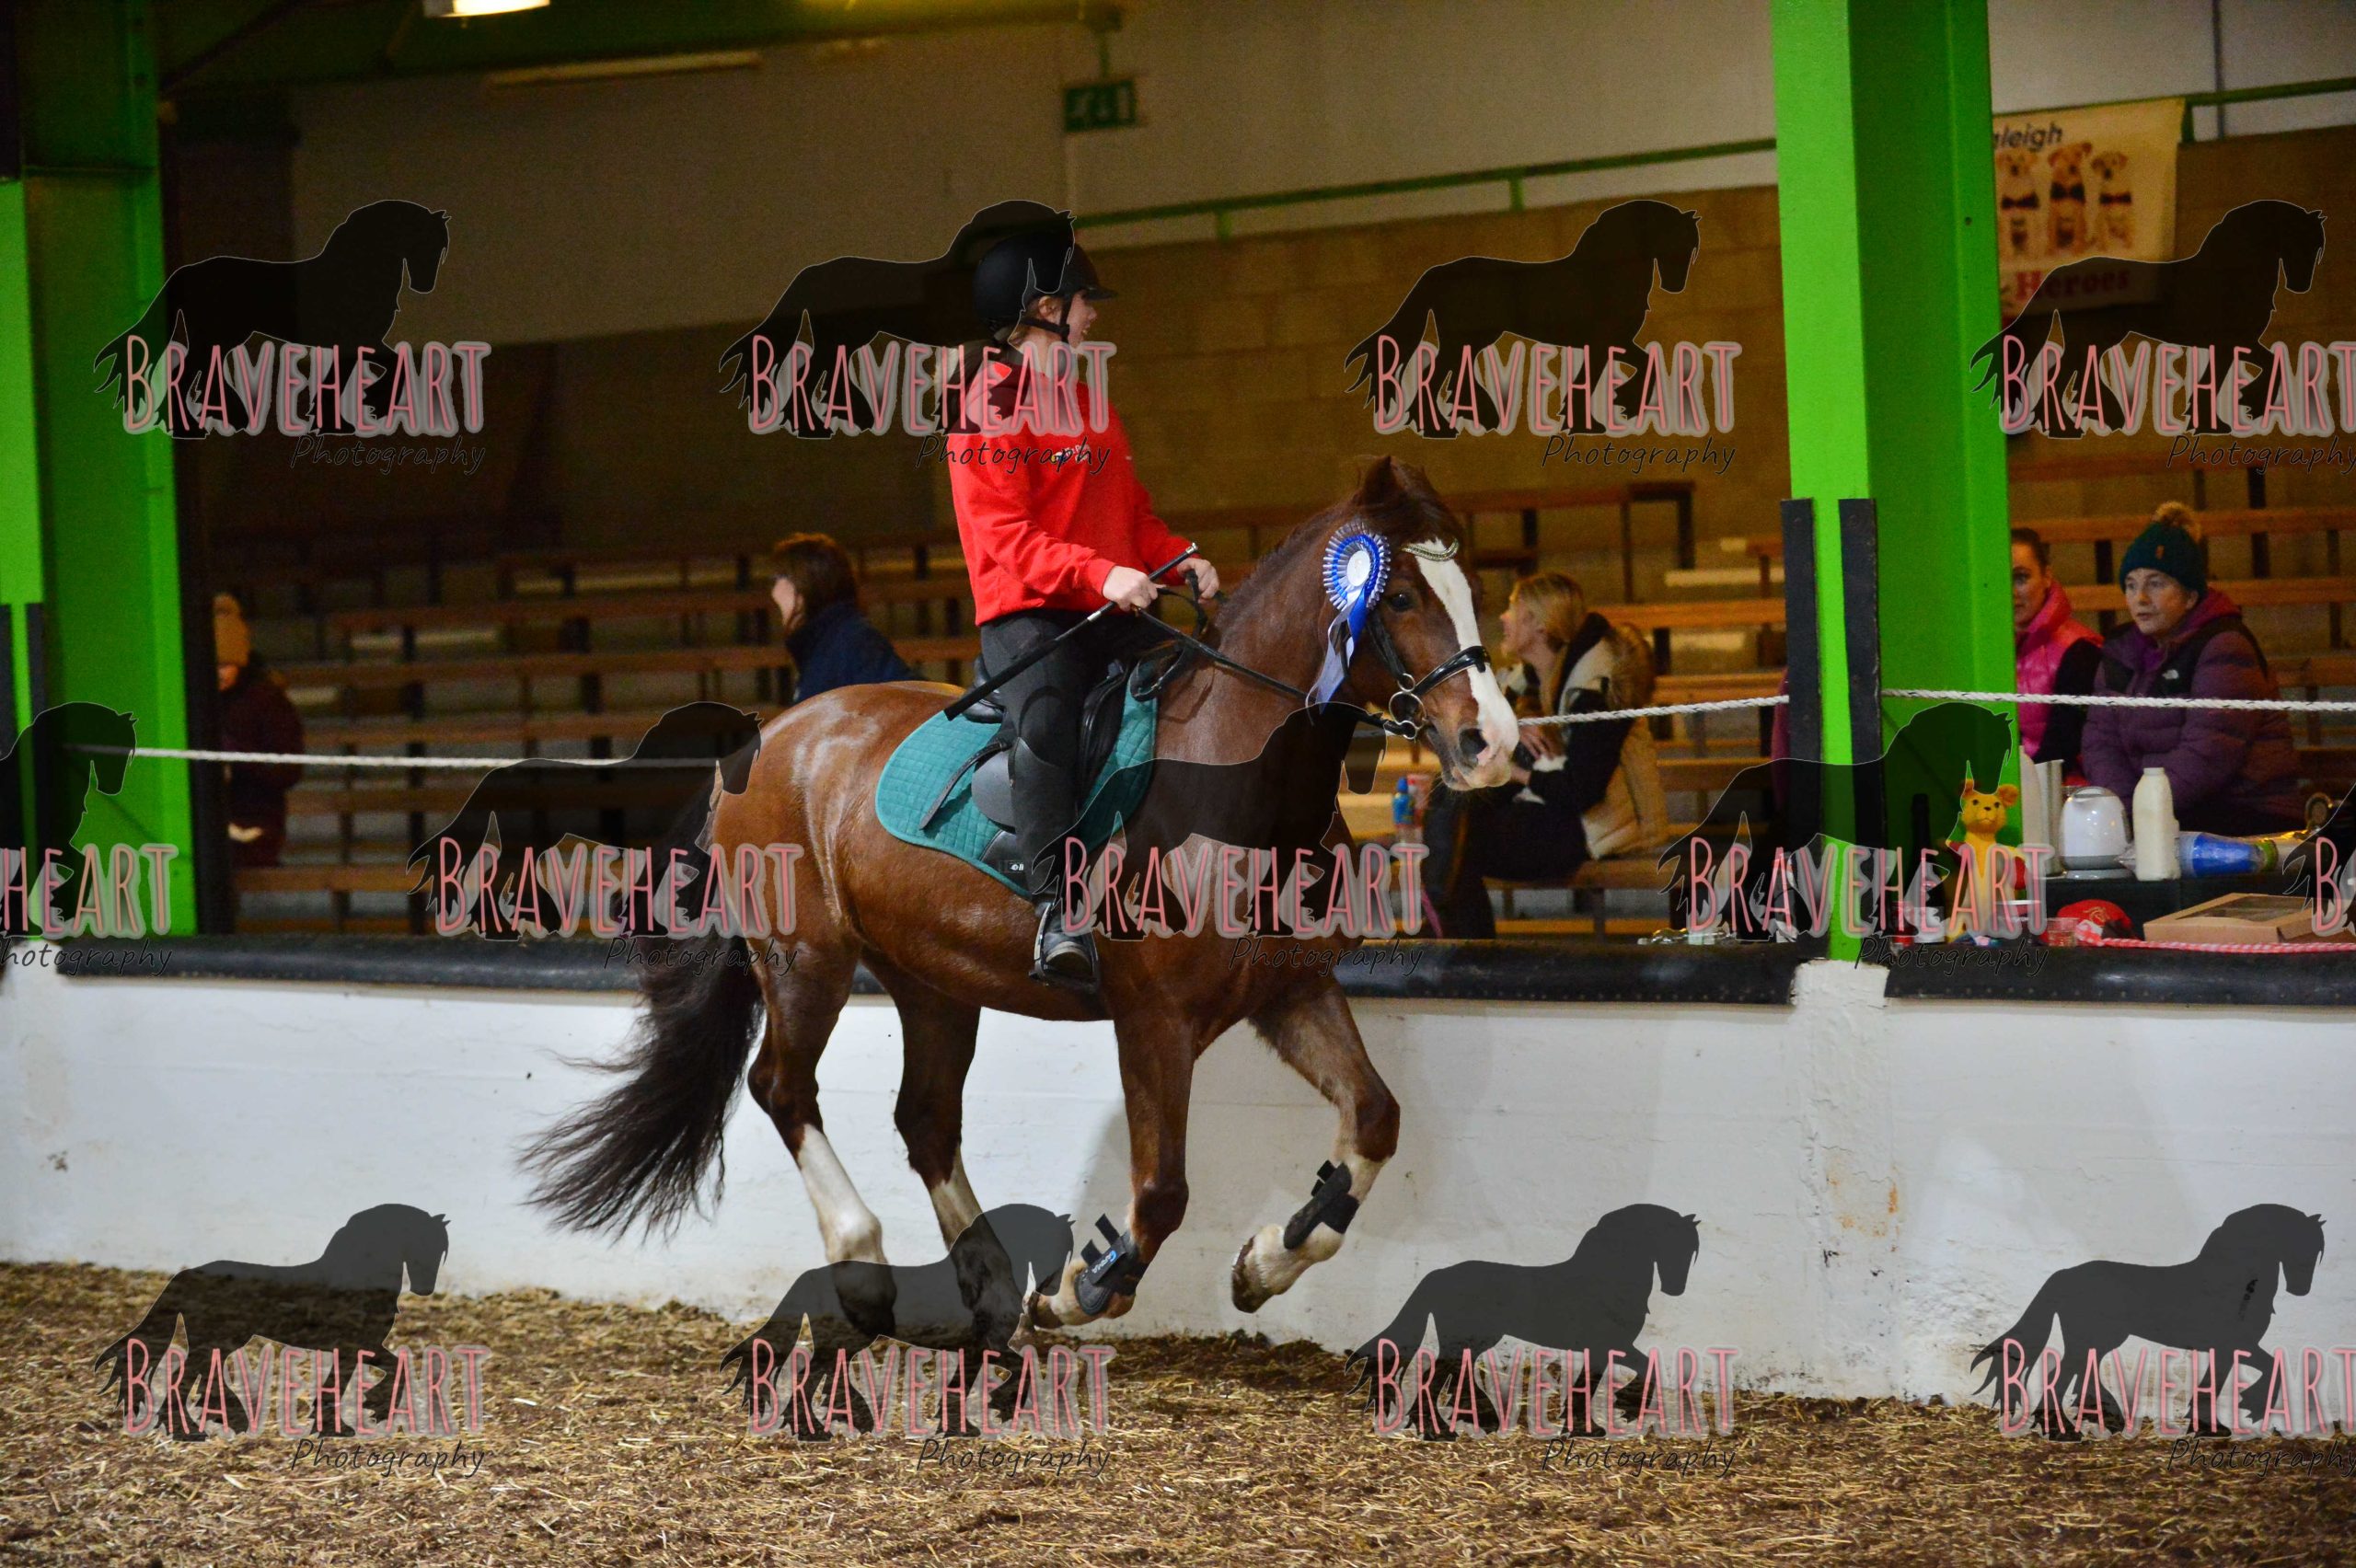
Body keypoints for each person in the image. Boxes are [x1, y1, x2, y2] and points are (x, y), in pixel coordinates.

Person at [945, 222, 1219, 992]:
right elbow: (1004, 538)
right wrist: (1100, 575)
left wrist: (1178, 557)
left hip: (1109, 604)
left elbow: (1132, 517)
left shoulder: (1088, 402)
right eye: (1082, 302)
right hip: (1029, 613)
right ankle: (1057, 909)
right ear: (1043, 309)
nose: (1092, 316)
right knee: (1047, 724)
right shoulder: (986, 405)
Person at [1420, 572, 1667, 938]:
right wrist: (1515, 723)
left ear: (1538, 624)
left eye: (1512, 608)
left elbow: (1583, 791)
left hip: (1593, 829)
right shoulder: (1538, 675)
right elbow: (1472, 726)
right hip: (1554, 806)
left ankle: (1465, 945)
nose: (1503, 618)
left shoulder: (1595, 689)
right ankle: (1449, 931)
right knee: (1451, 795)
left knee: (1463, 843)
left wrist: (1518, 773)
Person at [2080, 503, 2302, 835]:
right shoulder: (2119, 651)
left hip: (2245, 815)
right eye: (2131, 584)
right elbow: (2100, 743)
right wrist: (2125, 812)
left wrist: (2143, 814)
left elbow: (2209, 755)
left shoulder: (2224, 645)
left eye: (2156, 584)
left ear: (2190, 596)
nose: (2140, 598)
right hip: (2163, 815)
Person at [212, 593, 306, 868]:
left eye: (226, 665)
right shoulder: (193, 699)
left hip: (254, 818)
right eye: (213, 665)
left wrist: (240, 757)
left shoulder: (267, 700)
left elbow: (289, 769)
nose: (219, 673)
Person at [769, 533, 912, 704]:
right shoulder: (824, 643)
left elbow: (915, 703)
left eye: (780, 578)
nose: (774, 592)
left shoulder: (853, 640)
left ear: (804, 583)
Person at [2011, 526, 2102, 776]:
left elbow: (2064, 748)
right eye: (1998, 579)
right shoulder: (1986, 649)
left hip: (2067, 789)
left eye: (2020, 577)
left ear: (2047, 577)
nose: (2010, 592)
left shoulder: (2080, 651)